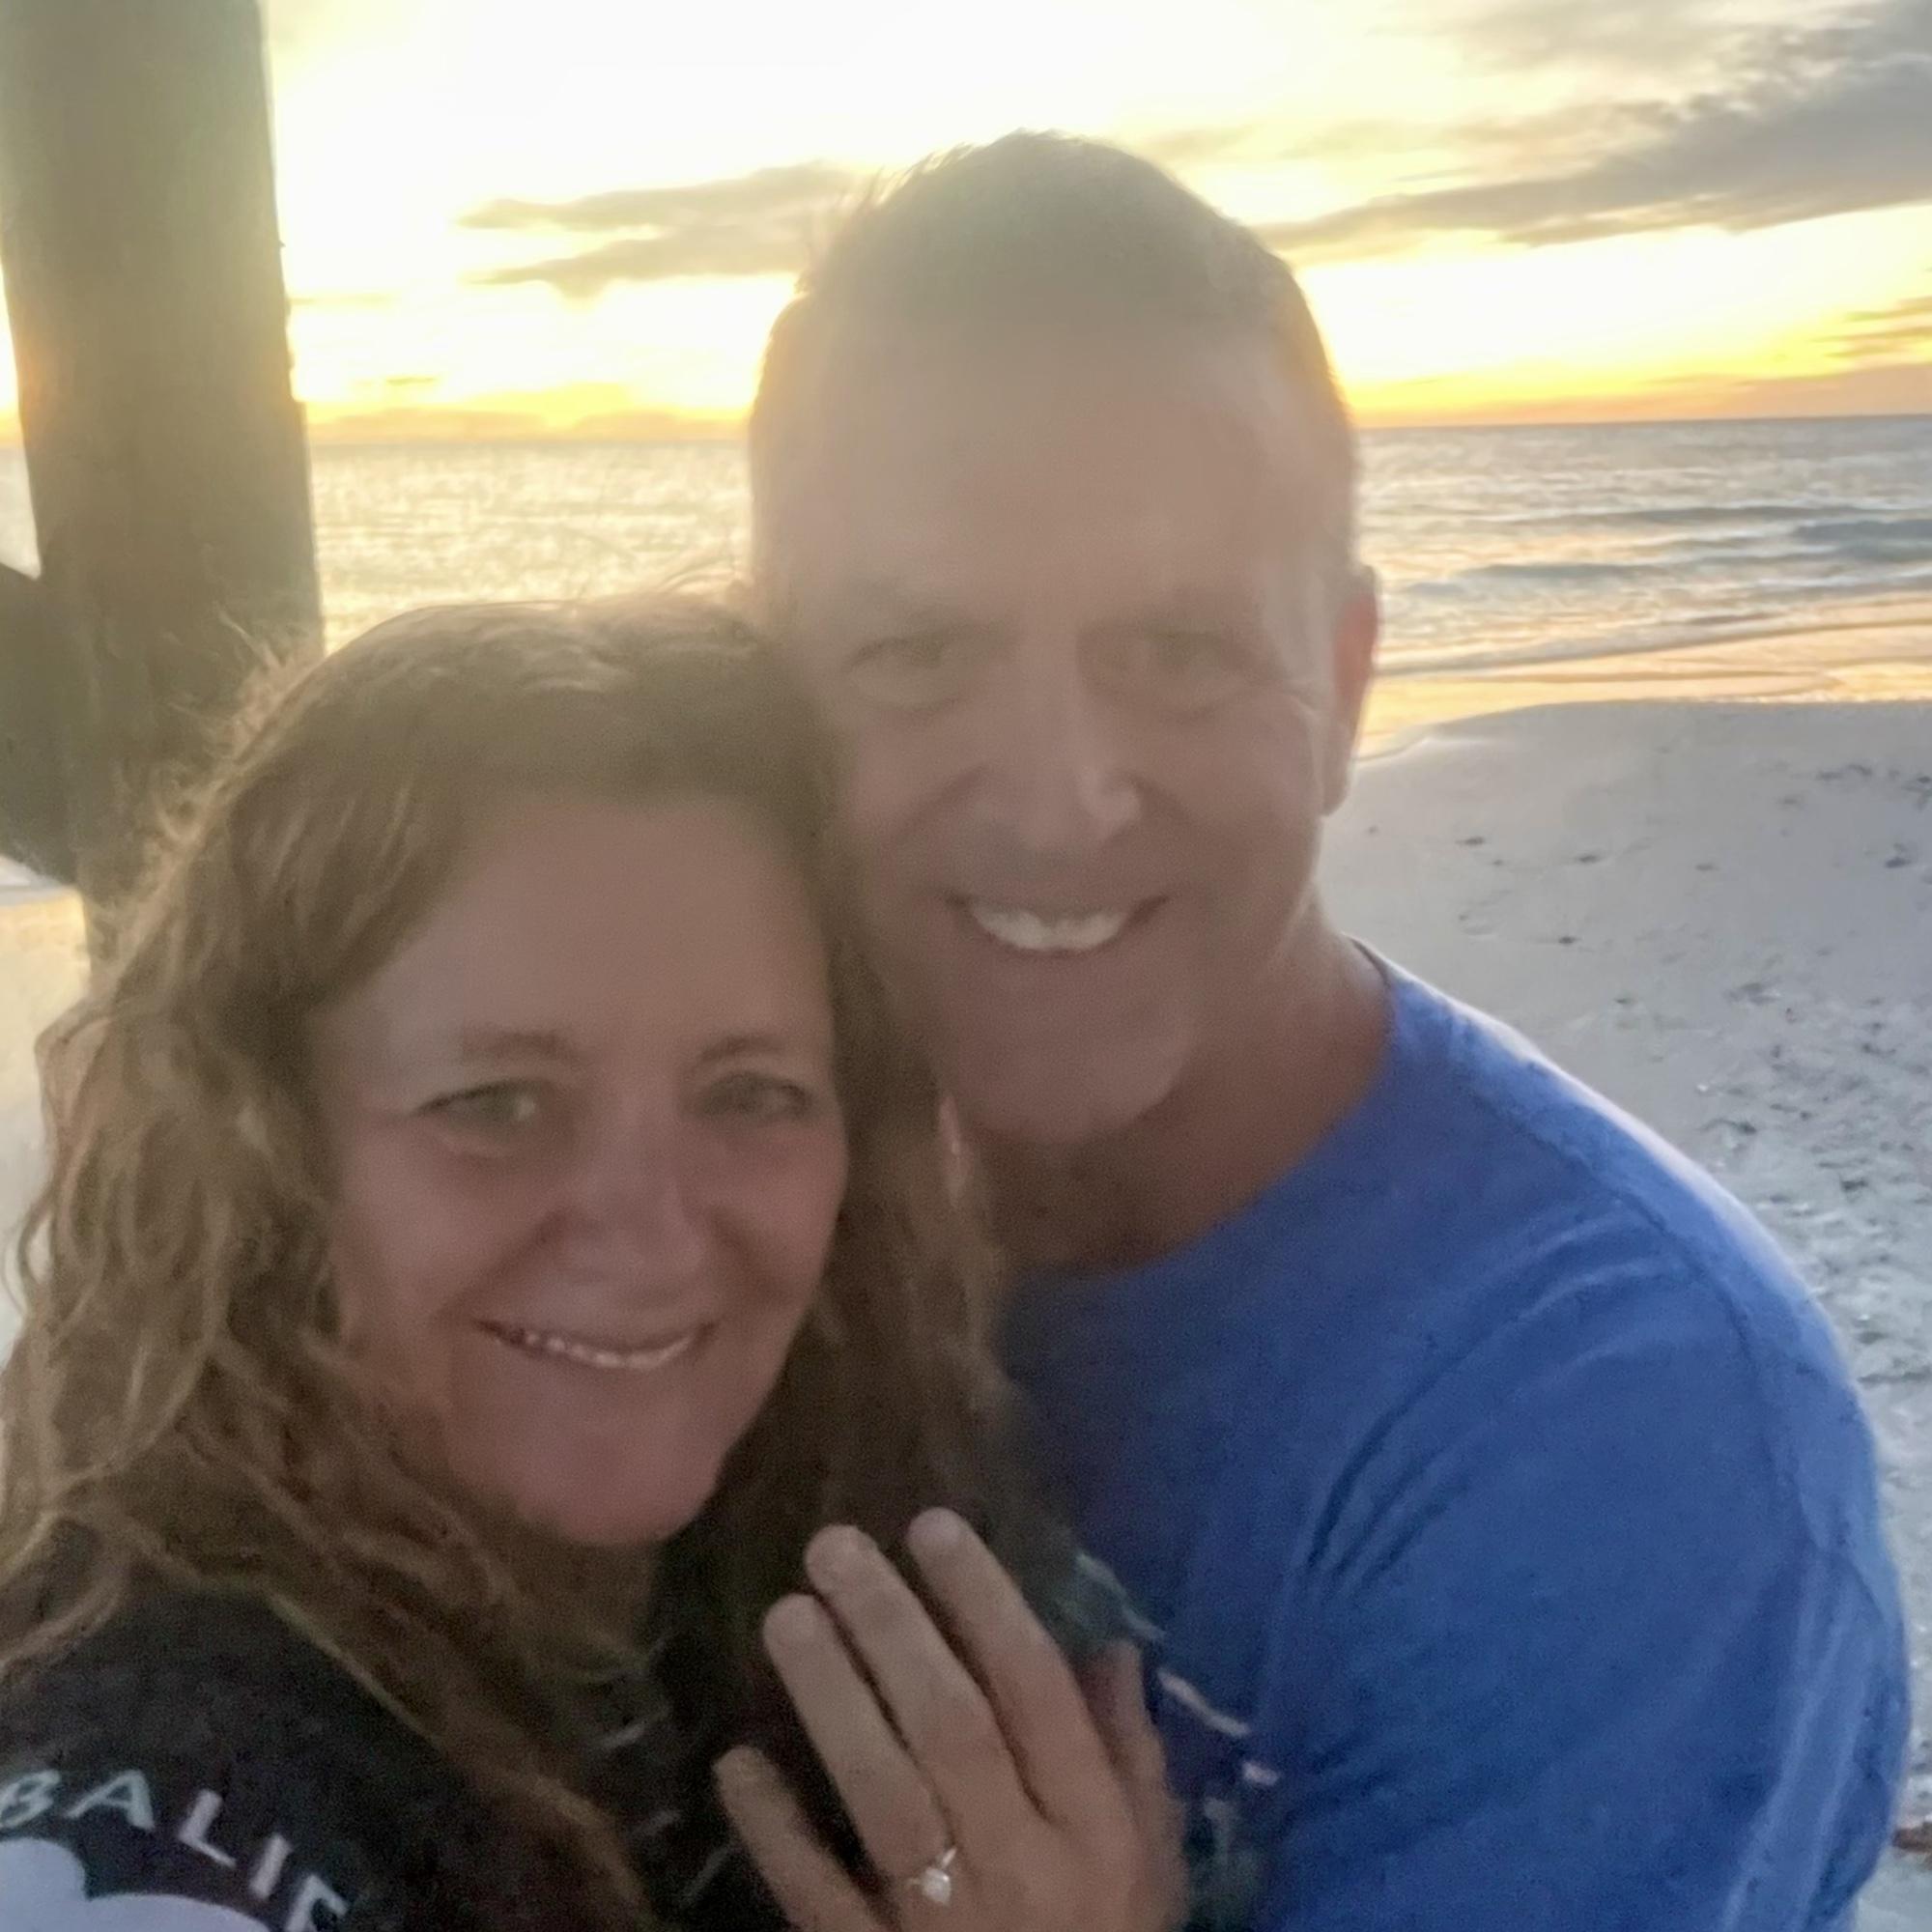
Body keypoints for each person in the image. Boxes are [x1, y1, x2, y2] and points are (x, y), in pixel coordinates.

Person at [742, 133, 1913, 1928]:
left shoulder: (1615, 1442)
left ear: (1349, 689)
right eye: (915, 654)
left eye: (1182, 652)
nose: (1058, 798)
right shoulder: (713, 1211)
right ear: (764, 687)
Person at [0, 598, 1179, 1932]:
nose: (654, 1233)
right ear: (269, 1155)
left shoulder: (812, 1558)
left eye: (750, 1094)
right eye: (497, 1105)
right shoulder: (165, 1796)